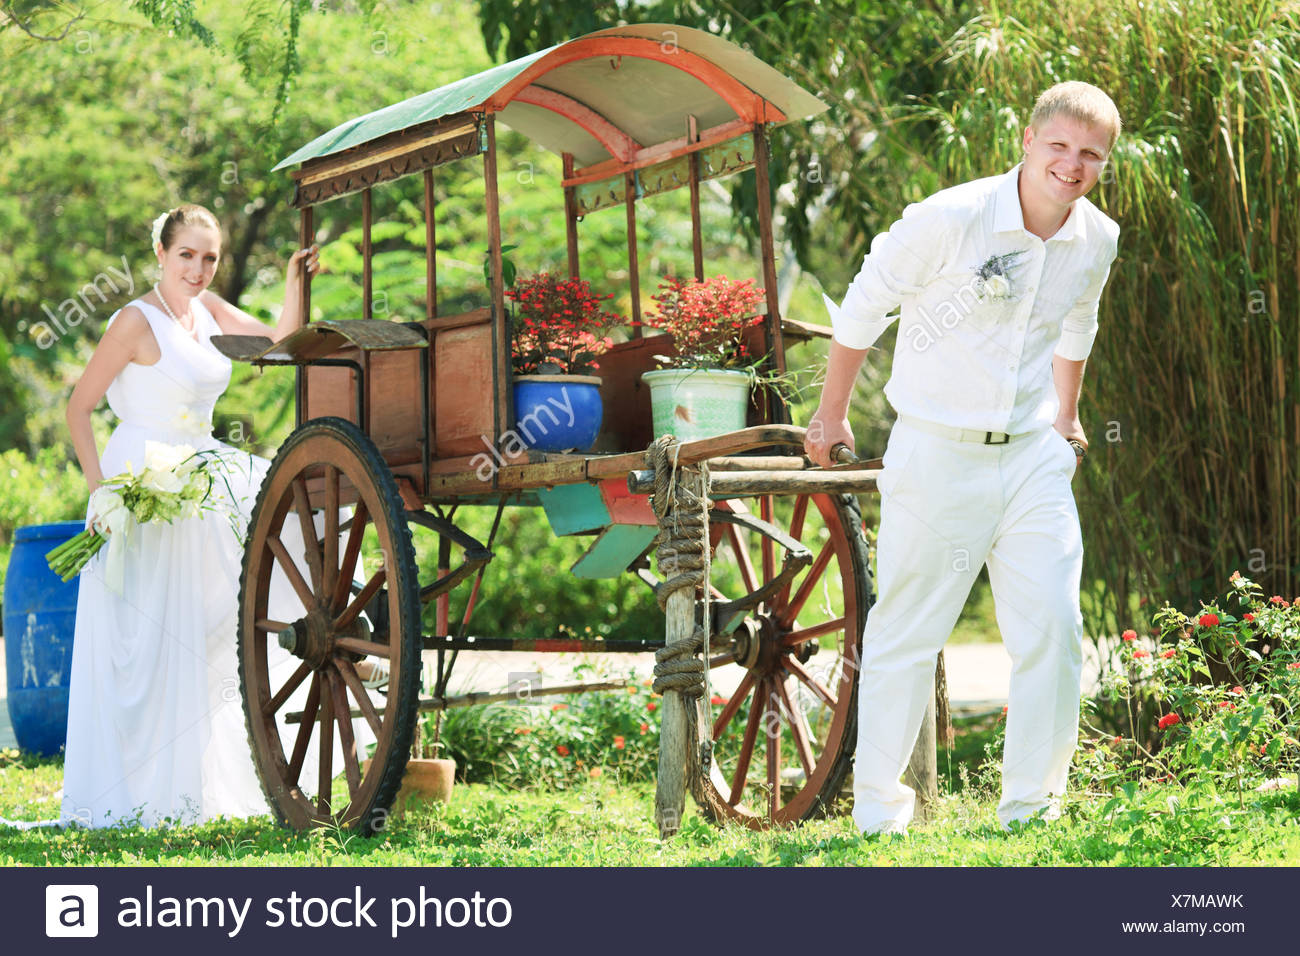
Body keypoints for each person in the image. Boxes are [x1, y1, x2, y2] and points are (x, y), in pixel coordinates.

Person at [805, 82, 1122, 835]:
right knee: (908, 631)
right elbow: (863, 303)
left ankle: (1031, 812)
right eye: (1060, 147)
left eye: (1090, 155)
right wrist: (830, 412)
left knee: (1053, 629)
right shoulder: (949, 218)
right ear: (1027, 139)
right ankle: (880, 816)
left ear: (1104, 163)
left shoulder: (1098, 238)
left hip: (1033, 456)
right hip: (936, 450)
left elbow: (1079, 321)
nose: (1071, 166)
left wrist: (1068, 418)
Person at [57, 203, 323, 827]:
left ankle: (314, 625)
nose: (199, 269)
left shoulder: (208, 311)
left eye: (209, 258)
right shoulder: (133, 321)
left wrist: (295, 282)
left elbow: (279, 340)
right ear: (160, 254)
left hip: (205, 468)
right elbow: (79, 408)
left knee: (278, 521)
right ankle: (137, 786)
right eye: (187, 256)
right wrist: (100, 493)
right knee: (148, 633)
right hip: (142, 474)